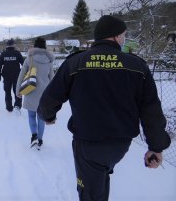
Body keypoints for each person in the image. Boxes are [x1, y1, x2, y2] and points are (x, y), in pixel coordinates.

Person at [37, 15, 171, 200]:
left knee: (90, 193)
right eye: (123, 35)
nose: (124, 39)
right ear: (116, 36)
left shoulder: (76, 62)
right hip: (120, 145)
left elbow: (50, 98)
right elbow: (151, 110)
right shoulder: (137, 66)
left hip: (88, 144)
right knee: (99, 178)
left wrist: (48, 116)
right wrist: (156, 147)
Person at [16, 37, 54, 149]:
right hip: (44, 94)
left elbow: (21, 75)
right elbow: (52, 78)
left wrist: (18, 90)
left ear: (35, 46)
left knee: (31, 115)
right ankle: (40, 139)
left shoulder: (29, 58)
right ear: (45, 46)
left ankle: (34, 136)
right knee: (41, 117)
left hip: (30, 90)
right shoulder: (49, 60)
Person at [0, 38, 24, 112]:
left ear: (7, 46)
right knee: (17, 91)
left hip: (6, 77)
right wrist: (22, 72)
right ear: (13, 45)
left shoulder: (3, 54)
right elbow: (24, 64)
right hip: (17, 76)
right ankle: (17, 106)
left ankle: (9, 107)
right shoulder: (17, 53)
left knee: (7, 92)